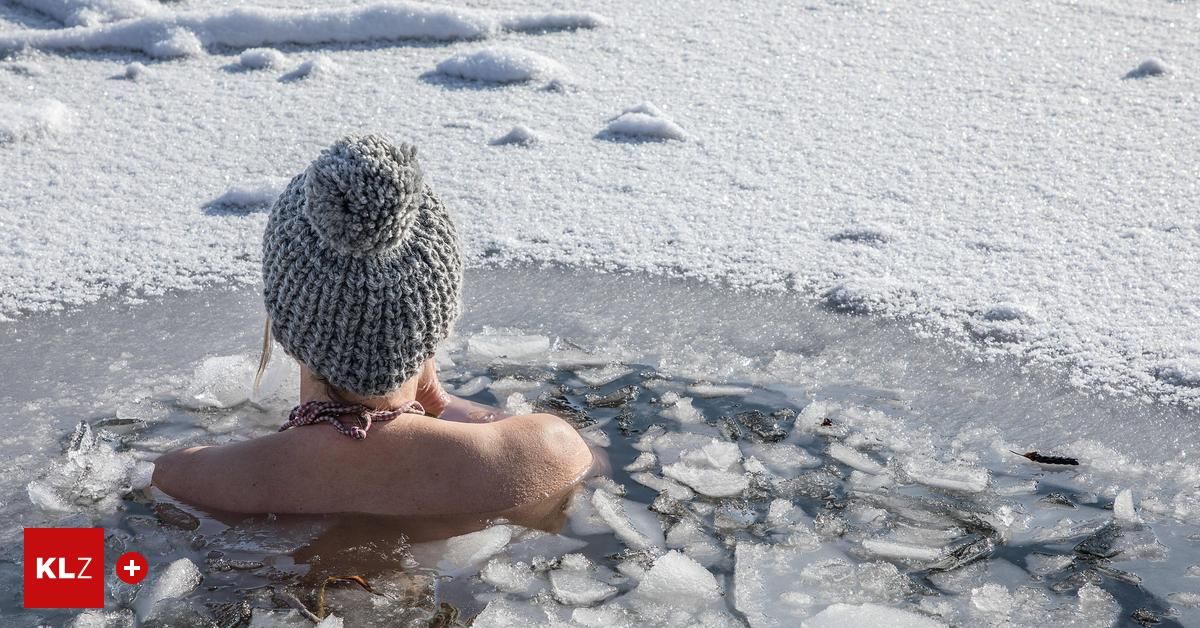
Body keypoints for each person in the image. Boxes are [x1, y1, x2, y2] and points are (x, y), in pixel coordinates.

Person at [153, 135, 595, 517]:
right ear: (436, 314)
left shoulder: (190, 478)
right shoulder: (546, 452)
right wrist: (439, 402)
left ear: (285, 317)